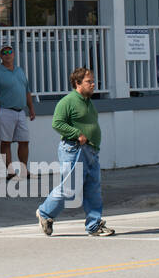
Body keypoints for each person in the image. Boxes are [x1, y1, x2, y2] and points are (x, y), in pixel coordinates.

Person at [36, 67, 114, 237]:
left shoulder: (87, 101)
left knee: (93, 188)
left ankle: (94, 225)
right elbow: (57, 123)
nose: (93, 84)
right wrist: (77, 134)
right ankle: (45, 213)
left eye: (93, 81)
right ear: (77, 83)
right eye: (89, 81)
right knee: (69, 189)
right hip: (75, 150)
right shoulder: (68, 101)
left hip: (91, 151)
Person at [0, 44, 36, 177]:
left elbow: (27, 91)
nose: (8, 54)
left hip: (21, 111)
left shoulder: (20, 71)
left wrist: (31, 108)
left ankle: (24, 170)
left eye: (10, 51)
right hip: (5, 111)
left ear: (14, 54)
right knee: (6, 142)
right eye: (4, 53)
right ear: (0, 57)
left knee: (24, 141)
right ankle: (9, 172)